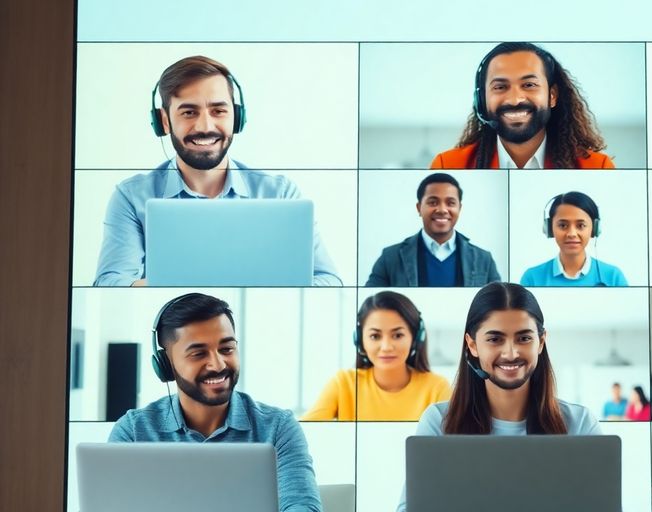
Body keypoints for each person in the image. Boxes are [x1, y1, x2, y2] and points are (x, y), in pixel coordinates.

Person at [94, 55, 341, 286]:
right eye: (189, 112)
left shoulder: (280, 192)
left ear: (237, 117)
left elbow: (328, 279)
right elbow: (111, 282)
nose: (205, 126)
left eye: (218, 111)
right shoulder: (131, 196)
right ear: (165, 121)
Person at [108, 293, 322, 511]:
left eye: (226, 349)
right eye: (199, 353)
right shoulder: (133, 431)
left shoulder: (278, 427)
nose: (218, 364)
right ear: (166, 364)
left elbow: (302, 507)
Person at [396, 282, 600, 511]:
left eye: (524, 338)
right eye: (495, 339)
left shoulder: (580, 424)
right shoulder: (438, 422)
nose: (511, 353)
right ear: (472, 345)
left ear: (541, 342)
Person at [430, 42, 614, 169]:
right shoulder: (448, 165)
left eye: (529, 85)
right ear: (482, 100)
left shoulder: (598, 167)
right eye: (500, 87)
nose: (515, 99)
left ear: (552, 96)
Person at [303, 291, 451, 421]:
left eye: (398, 335)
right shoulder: (344, 383)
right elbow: (301, 435)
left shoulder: (437, 388)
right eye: (375, 336)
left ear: (416, 338)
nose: (386, 347)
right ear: (360, 340)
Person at [366, 173, 502, 287]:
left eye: (450, 203)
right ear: (419, 208)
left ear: (459, 208)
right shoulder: (390, 258)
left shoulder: (484, 259)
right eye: (433, 202)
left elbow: (498, 306)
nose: (442, 210)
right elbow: (372, 303)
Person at [520, 191, 628, 286]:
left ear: (594, 229)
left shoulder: (613, 277)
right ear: (549, 228)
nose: (572, 234)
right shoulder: (531, 278)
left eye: (580, 226)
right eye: (563, 225)